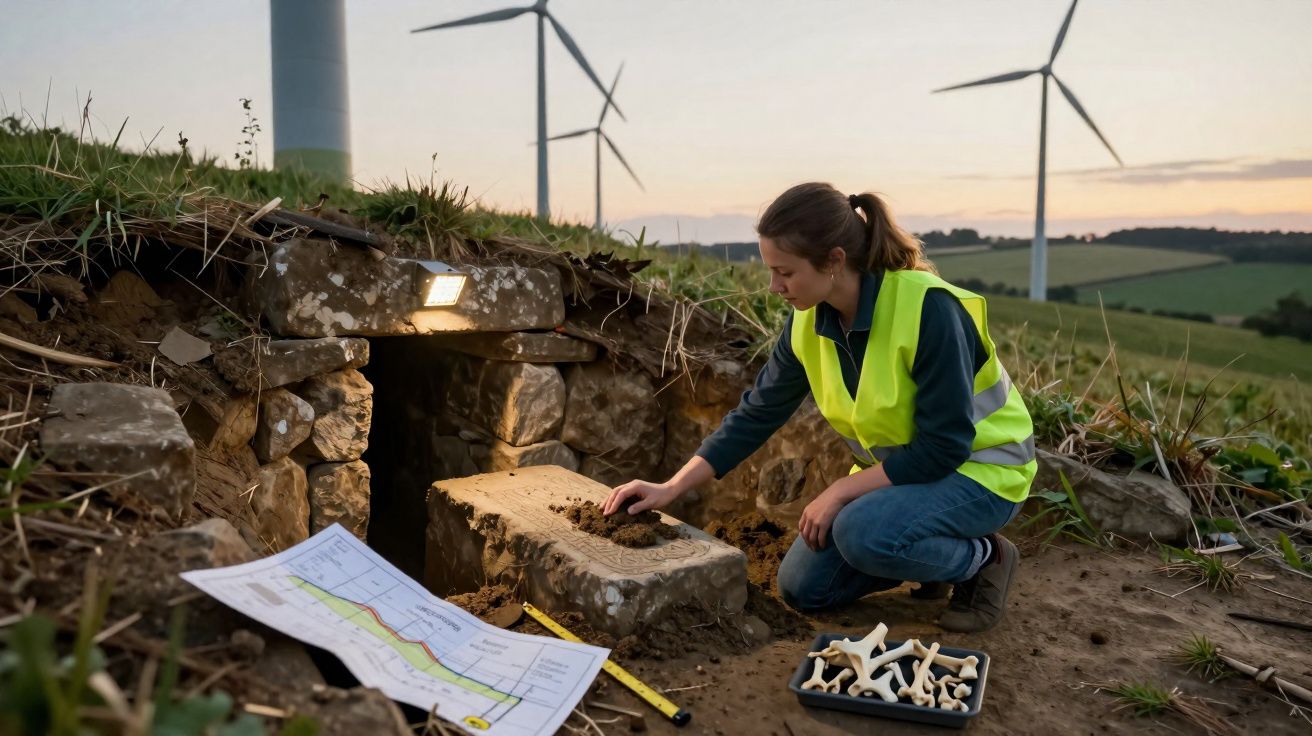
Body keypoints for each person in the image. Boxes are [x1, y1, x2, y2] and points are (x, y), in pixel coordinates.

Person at [602, 182, 1036, 633]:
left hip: (982, 471)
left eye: (785, 272)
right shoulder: (808, 320)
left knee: (861, 533)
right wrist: (671, 487)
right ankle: (927, 551)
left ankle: (984, 559)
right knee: (804, 589)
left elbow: (944, 448)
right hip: (907, 479)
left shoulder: (930, 310)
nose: (774, 287)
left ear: (834, 261)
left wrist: (838, 492)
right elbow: (759, 411)